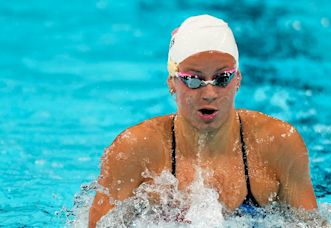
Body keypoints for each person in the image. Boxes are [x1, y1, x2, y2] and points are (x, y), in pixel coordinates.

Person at [89, 14, 317, 227]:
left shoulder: (277, 144)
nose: (209, 93)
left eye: (222, 78)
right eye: (193, 80)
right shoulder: (135, 150)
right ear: (172, 82)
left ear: (238, 79)